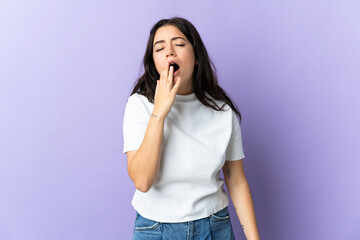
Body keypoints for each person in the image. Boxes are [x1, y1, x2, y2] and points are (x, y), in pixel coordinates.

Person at [123, 17, 260, 240]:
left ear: (196, 57)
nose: (169, 52)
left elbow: (236, 180)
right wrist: (159, 112)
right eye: (160, 48)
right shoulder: (139, 105)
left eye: (179, 43)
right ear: (154, 62)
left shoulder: (222, 111)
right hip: (156, 229)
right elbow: (142, 181)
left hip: (214, 227)